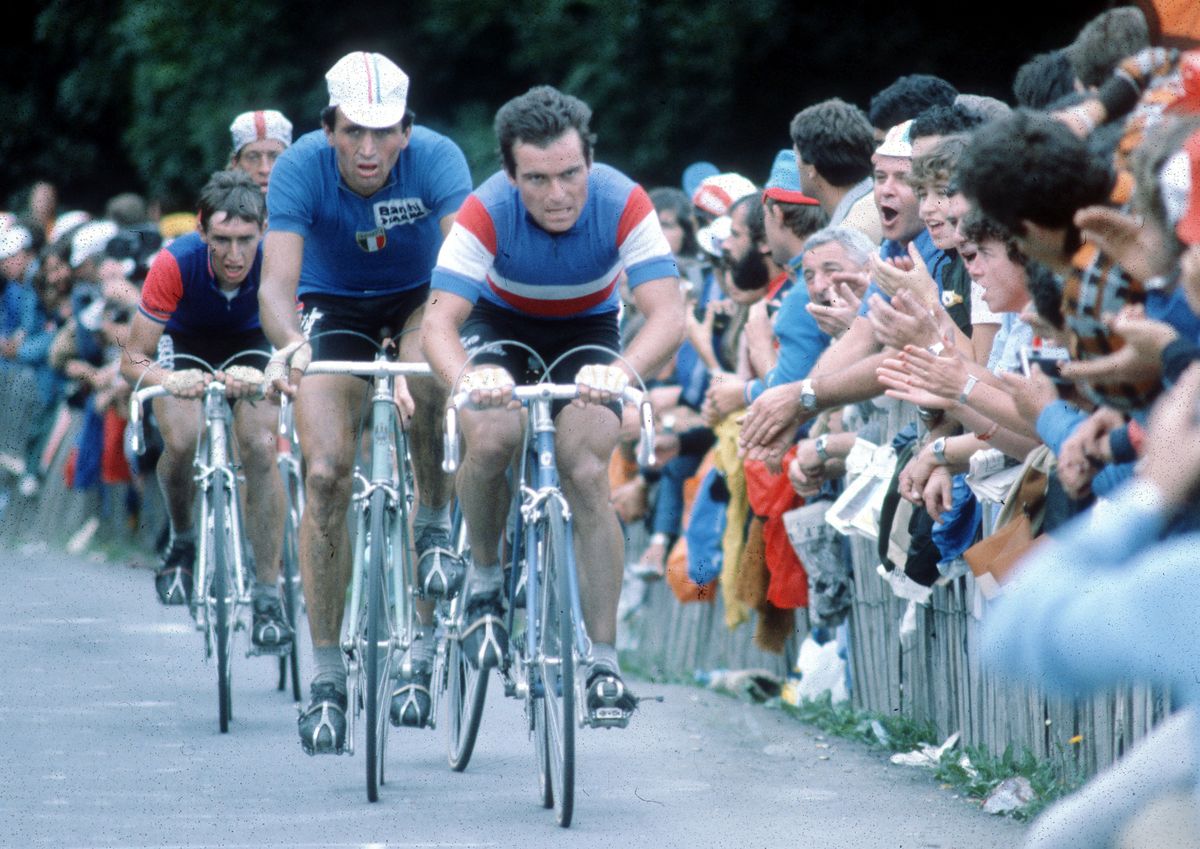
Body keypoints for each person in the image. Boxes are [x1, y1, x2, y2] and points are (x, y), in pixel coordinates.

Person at [422, 85, 685, 727]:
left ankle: (603, 661)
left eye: (571, 174)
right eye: (537, 180)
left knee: (588, 469)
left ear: (589, 162)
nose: (558, 193)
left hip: (588, 338)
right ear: (512, 175)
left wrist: (620, 373)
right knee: (487, 436)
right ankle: (485, 577)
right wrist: (466, 381)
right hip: (498, 329)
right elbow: (438, 326)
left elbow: (668, 314)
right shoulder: (485, 210)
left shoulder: (624, 201)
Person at [258, 51, 472, 754]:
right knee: (324, 474)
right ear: (329, 128)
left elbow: (459, 278)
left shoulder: (439, 160)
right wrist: (290, 344)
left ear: (408, 131)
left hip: (420, 299)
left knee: (431, 372)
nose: (369, 148)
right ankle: (325, 678)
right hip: (332, 305)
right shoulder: (297, 169)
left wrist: (425, 356)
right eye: (354, 132)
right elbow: (275, 289)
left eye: (385, 132)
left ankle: (434, 520)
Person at [119, 171, 291, 655]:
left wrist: (273, 370)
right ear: (201, 232)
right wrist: (169, 380)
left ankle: (267, 593)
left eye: (245, 241)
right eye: (221, 241)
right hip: (185, 345)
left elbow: (299, 342)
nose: (234, 255)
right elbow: (131, 356)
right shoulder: (176, 262)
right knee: (182, 437)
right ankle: (183, 537)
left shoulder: (280, 258)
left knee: (260, 446)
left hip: (255, 345)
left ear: (263, 231)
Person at [789, 98, 881, 243]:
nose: (795, 164)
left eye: (796, 155)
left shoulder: (848, 237)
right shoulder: (878, 205)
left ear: (812, 168)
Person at [228, 109, 293, 192]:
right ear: (235, 164)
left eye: (275, 157)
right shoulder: (212, 205)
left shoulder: (312, 203)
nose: (265, 169)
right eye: (252, 157)